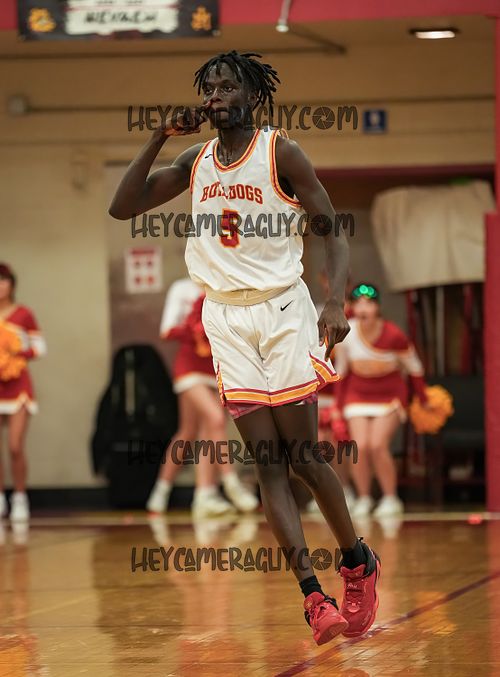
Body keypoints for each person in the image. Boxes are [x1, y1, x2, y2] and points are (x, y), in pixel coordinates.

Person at [109, 51, 380, 645]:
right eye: (209, 88)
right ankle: (313, 597)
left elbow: (331, 228)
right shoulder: (195, 160)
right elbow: (123, 206)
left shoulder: (280, 152)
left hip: (282, 309)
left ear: (252, 95)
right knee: (266, 463)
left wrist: (334, 300)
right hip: (226, 318)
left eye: (228, 86)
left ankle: (358, 562)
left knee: (303, 456)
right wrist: (158, 136)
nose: (215, 96)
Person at [147, 279, 258, 517]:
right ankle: (231, 482)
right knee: (215, 419)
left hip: (216, 367)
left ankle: (200, 493)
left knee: (193, 431)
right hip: (189, 367)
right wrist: (193, 327)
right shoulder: (182, 288)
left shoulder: (226, 285)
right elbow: (166, 329)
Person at [333, 283, 429, 518]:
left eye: (369, 303)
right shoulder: (346, 334)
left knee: (377, 445)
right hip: (357, 396)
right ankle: (364, 497)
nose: (363, 308)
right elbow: (341, 372)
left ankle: (390, 497)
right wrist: (337, 406)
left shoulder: (394, 335)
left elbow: (414, 368)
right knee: (359, 446)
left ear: (377, 308)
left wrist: (424, 399)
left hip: (390, 397)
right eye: (358, 303)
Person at [0, 263, 46, 521]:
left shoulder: (23, 314)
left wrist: (16, 351)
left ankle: (19, 497)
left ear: (12, 284)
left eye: (4, 280)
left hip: (18, 386)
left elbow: (39, 348)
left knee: (15, 446)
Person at [306, 270, 355, 513]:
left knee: (339, 440)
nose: (332, 285)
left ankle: (346, 490)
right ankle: (323, 495)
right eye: (328, 280)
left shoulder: (357, 316)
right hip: (320, 390)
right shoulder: (313, 311)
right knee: (318, 442)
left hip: (344, 393)